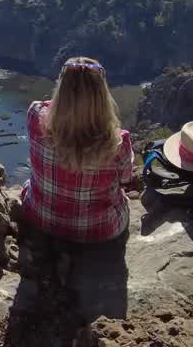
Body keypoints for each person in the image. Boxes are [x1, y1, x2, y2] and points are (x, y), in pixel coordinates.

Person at [20, 56, 135, 243]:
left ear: (60, 89)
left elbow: (49, 108)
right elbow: (125, 180)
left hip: (40, 219)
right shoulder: (117, 141)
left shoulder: (35, 115)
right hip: (99, 231)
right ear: (102, 96)